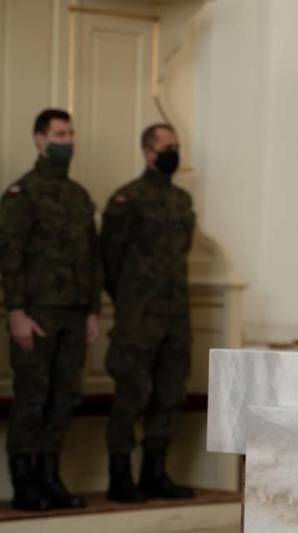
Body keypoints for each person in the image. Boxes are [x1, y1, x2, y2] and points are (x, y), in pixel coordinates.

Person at [0, 109, 101, 511]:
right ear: (39, 139)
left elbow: (92, 258)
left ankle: (50, 477)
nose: (67, 140)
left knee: (64, 398)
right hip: (37, 313)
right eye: (59, 134)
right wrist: (15, 312)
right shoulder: (21, 194)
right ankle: (25, 483)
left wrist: (93, 310)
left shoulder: (79, 196)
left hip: (75, 314)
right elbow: (10, 258)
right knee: (32, 398)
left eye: (70, 133)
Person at [101, 123, 195, 502]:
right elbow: (109, 260)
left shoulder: (181, 200)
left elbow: (183, 250)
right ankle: (120, 476)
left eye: (176, 146)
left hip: (176, 316)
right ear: (147, 152)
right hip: (138, 318)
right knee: (131, 396)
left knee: (169, 395)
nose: (173, 152)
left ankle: (155, 473)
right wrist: (131, 300)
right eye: (166, 146)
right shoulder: (128, 199)